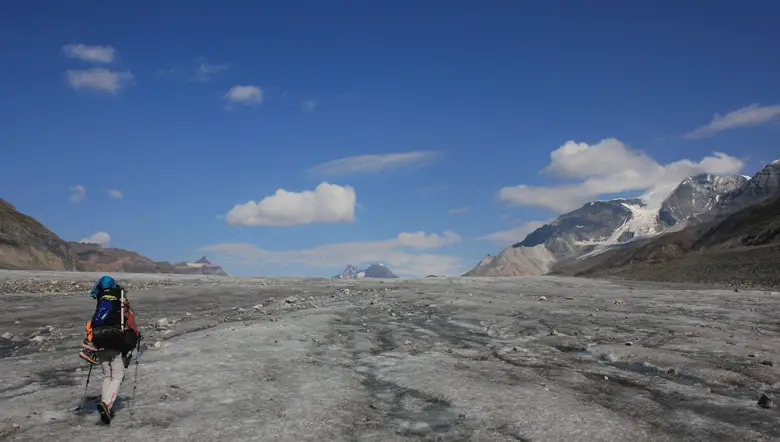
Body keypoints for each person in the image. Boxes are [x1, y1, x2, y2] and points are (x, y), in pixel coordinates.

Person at [78, 276, 140, 424]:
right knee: (117, 376)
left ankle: (106, 404)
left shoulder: (101, 299)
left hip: (99, 339)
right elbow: (129, 324)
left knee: (107, 376)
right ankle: (106, 404)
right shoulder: (120, 301)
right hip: (115, 340)